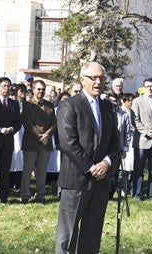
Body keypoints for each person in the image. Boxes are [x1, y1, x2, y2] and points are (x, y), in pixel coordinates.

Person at [55, 62, 119, 253]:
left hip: (100, 183)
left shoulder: (108, 107)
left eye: (101, 78)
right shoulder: (70, 105)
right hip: (76, 180)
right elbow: (68, 142)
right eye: (94, 78)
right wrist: (92, 168)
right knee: (67, 236)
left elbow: (115, 142)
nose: (98, 82)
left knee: (92, 234)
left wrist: (106, 163)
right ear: (83, 80)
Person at [20, 80, 56, 204]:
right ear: (33, 90)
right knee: (27, 170)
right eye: (38, 89)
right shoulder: (27, 105)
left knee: (42, 171)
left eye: (43, 89)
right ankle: (25, 194)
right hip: (31, 141)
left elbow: (54, 124)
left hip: (46, 143)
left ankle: (40, 194)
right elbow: (27, 123)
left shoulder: (50, 105)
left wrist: (47, 135)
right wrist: (39, 136)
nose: (41, 92)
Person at [9, 84, 26, 190]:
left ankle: (19, 183)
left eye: (24, 91)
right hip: (13, 132)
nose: (23, 93)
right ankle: (10, 183)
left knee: (21, 158)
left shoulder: (26, 105)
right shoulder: (12, 105)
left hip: (22, 133)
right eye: (21, 91)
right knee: (12, 158)